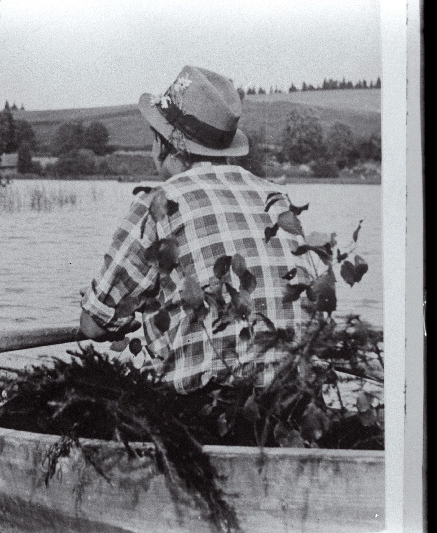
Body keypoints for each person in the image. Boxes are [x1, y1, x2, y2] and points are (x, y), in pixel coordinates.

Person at [79, 66, 311, 394]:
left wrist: (112, 307)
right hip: (291, 401)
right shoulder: (277, 200)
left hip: (199, 411)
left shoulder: (159, 202)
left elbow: (93, 325)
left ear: (162, 144)